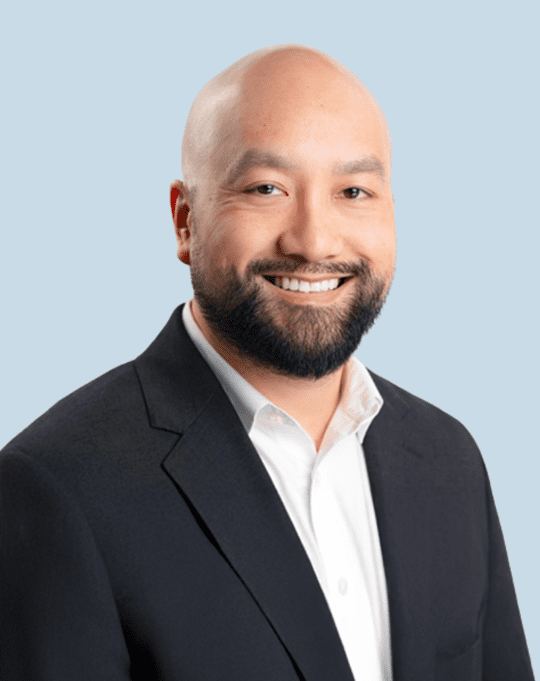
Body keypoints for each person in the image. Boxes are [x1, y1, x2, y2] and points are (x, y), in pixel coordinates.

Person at [0, 44, 534, 681]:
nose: (313, 241)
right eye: (266, 189)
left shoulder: (449, 459)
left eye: (353, 191)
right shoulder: (56, 489)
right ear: (185, 221)